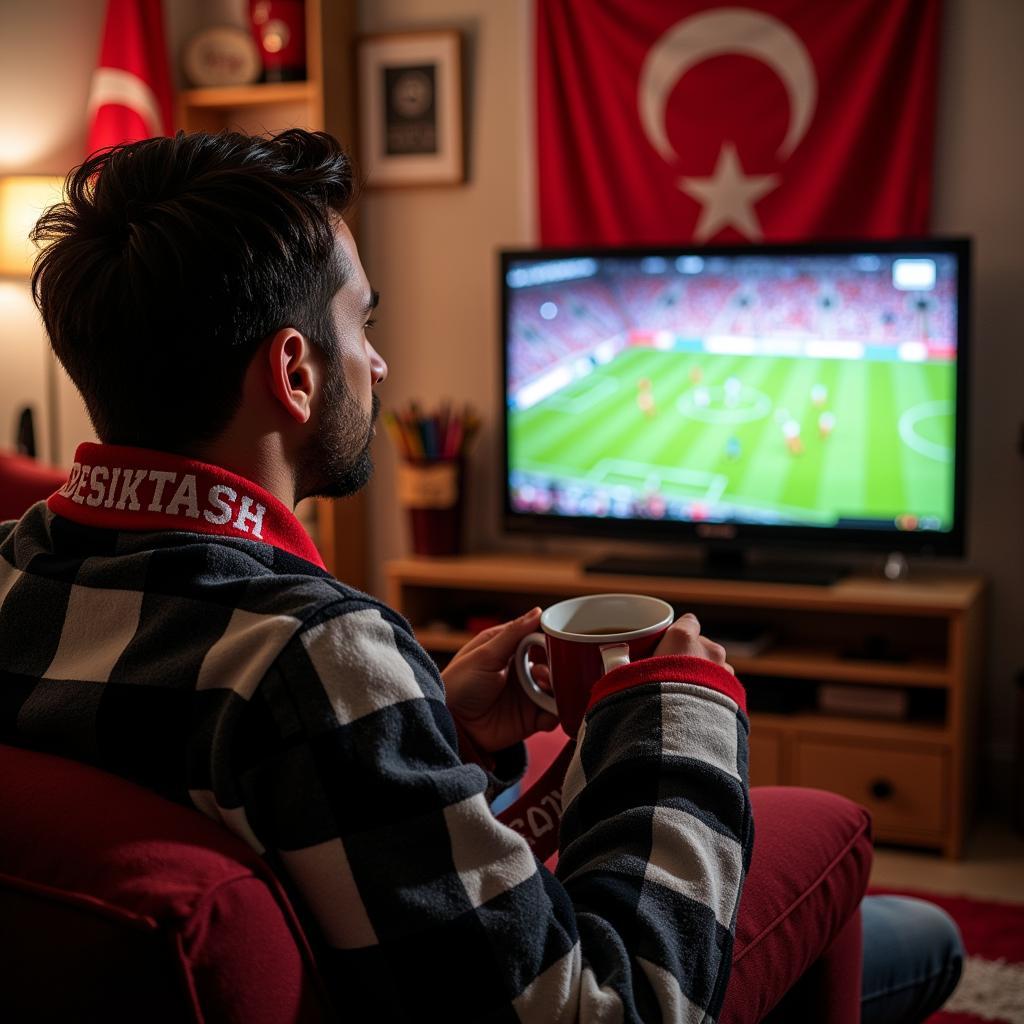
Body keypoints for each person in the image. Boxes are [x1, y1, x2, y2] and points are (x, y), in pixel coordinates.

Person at [0, 130, 960, 1022]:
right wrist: (682, 713)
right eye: (361, 321)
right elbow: (604, 1009)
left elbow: (223, 771)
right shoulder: (310, 654)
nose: (375, 360)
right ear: (294, 372)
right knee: (919, 931)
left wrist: (429, 730)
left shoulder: (16, 565)